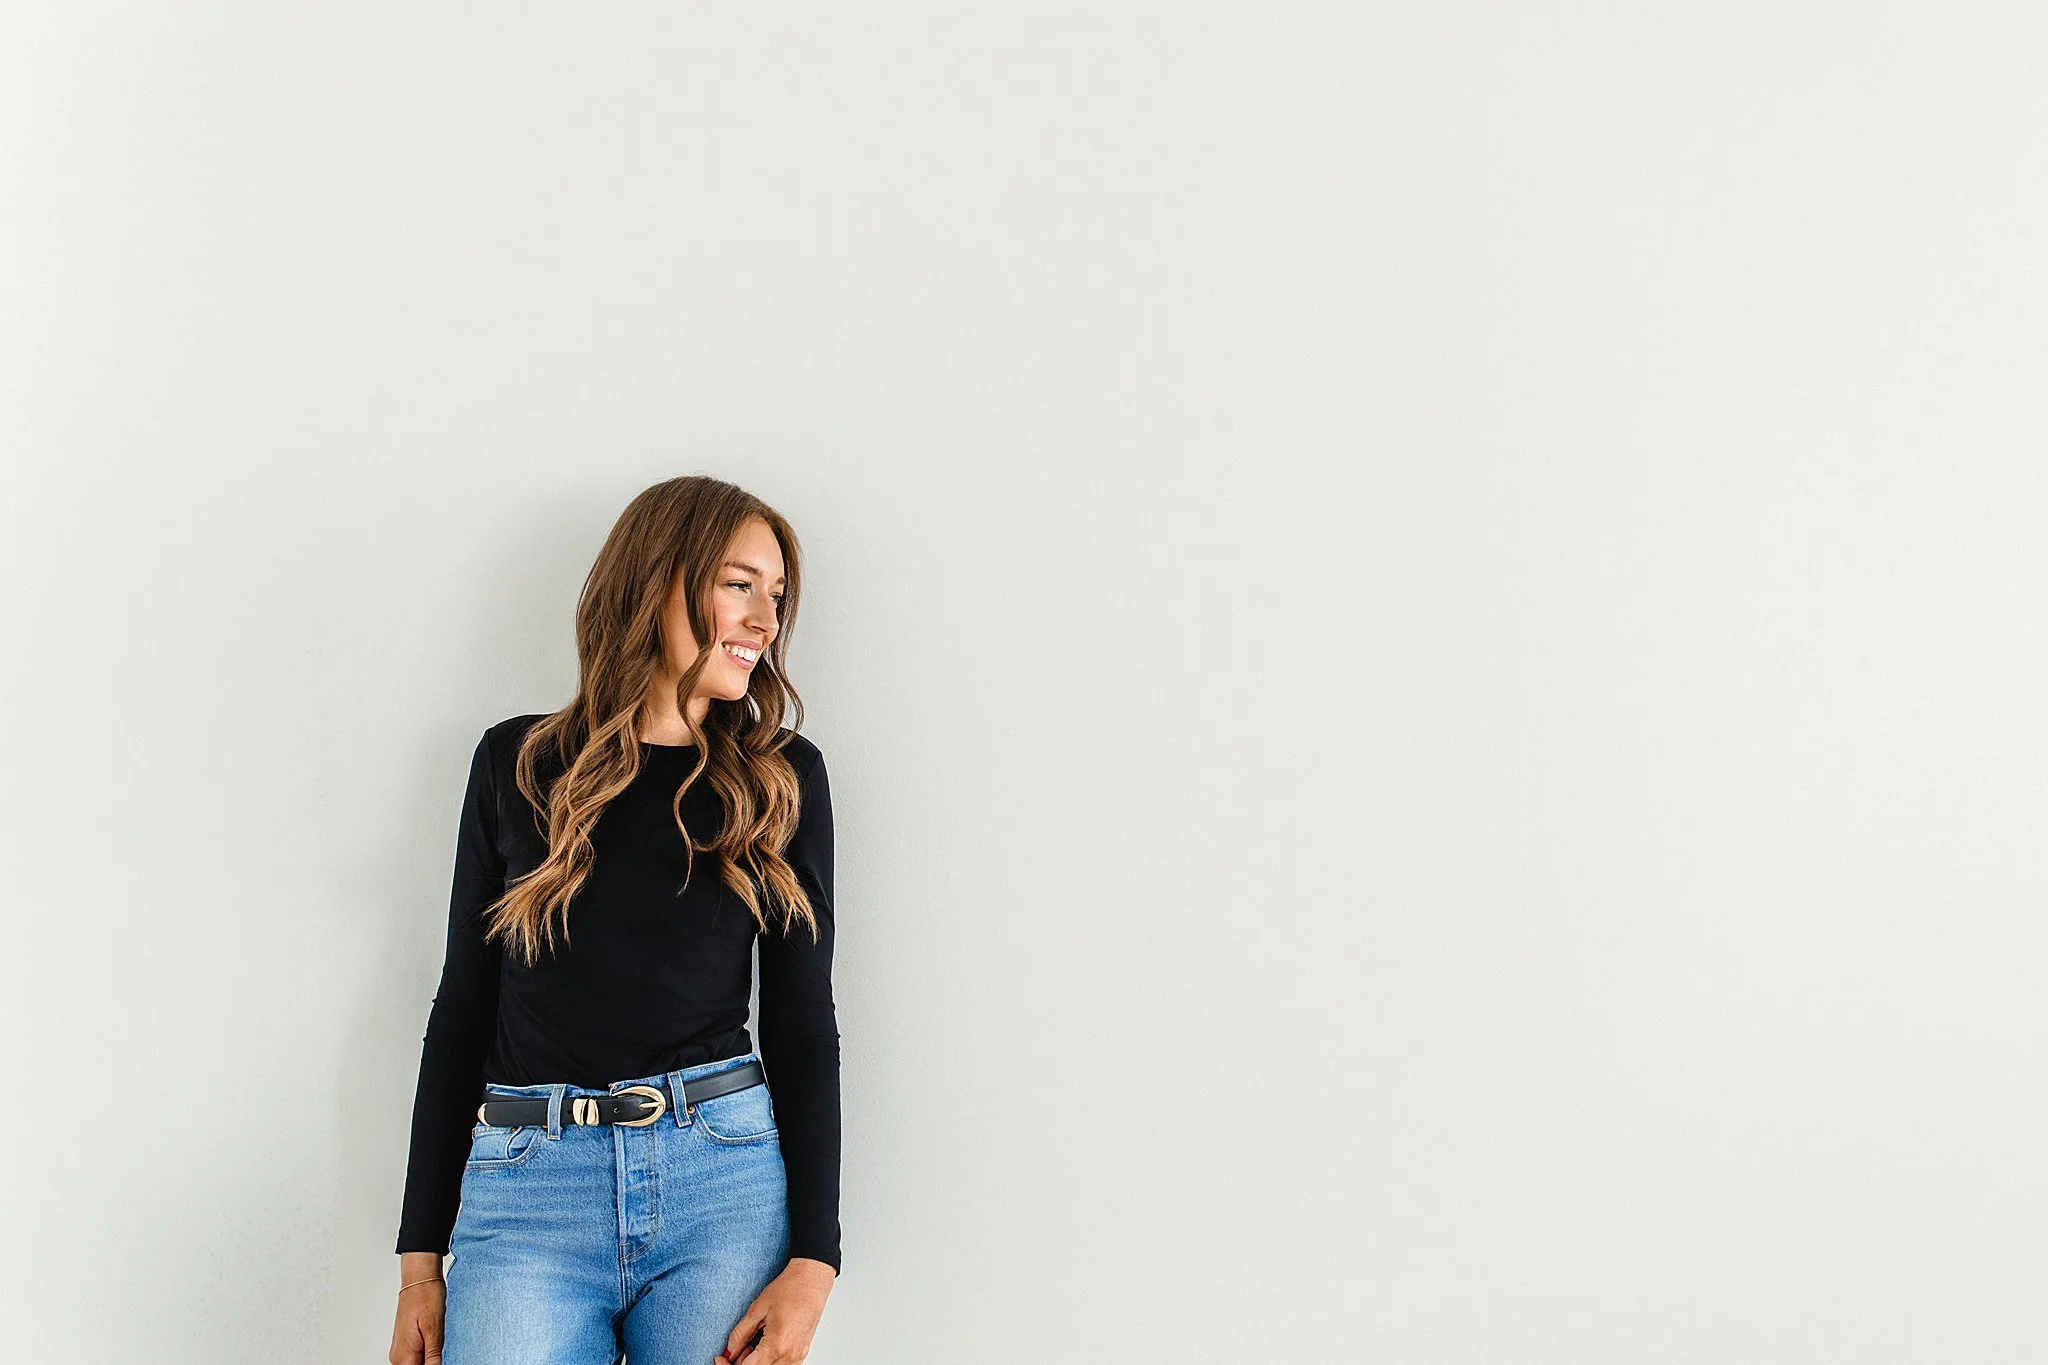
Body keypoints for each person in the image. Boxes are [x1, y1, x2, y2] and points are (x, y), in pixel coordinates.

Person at [389, 475, 842, 1365]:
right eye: (739, 584)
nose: (765, 621)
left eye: (777, 595)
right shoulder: (517, 763)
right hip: (528, 1192)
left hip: (722, 1188)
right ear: (657, 580)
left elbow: (802, 1020)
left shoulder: (783, 777)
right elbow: (462, 1007)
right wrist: (418, 1265)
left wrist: (815, 1261)